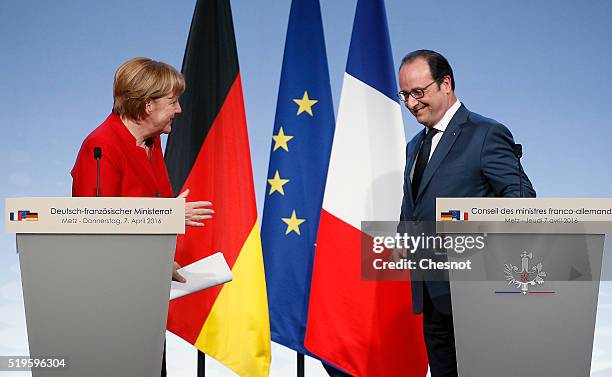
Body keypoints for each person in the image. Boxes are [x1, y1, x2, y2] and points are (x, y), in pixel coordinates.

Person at [71, 57, 214, 376]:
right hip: (111, 305)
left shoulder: (151, 142)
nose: (179, 110)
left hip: (143, 296)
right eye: (173, 101)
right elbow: (94, 224)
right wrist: (167, 215)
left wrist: (162, 262)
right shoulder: (101, 147)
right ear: (148, 105)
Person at [397, 50, 535, 377]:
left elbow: (522, 203)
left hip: (479, 297)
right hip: (433, 298)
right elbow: (414, 207)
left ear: (446, 83)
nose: (412, 103)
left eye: (419, 92)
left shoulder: (486, 133)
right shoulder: (414, 146)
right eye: (405, 95)